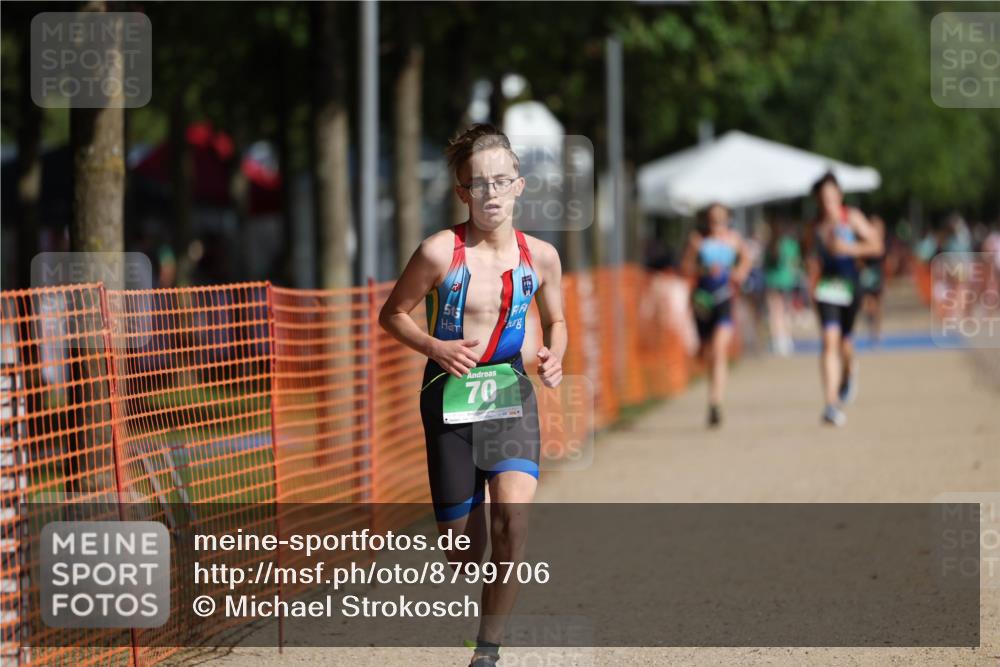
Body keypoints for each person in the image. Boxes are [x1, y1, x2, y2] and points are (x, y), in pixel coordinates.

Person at [378, 123, 566, 667]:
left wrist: (555, 355)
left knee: (514, 523)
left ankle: (488, 649)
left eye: (500, 181)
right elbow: (392, 314)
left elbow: (558, 321)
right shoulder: (439, 253)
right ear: (462, 192)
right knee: (463, 554)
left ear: (519, 186)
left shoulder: (542, 257)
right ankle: (471, 509)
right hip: (449, 399)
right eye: (478, 184)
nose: (491, 193)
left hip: (511, 393)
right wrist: (435, 346)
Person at [804, 173, 883, 426]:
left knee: (845, 344)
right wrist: (810, 281)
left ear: (839, 195)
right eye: (823, 197)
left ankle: (849, 371)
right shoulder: (815, 226)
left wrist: (850, 249)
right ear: (818, 200)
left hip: (851, 284)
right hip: (827, 287)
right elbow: (809, 257)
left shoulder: (853, 218)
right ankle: (830, 403)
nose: (828, 201)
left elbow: (877, 246)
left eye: (831, 195)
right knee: (829, 341)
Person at [680, 203, 752, 428]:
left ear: (727, 219)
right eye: (712, 219)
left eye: (720, 219)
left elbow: (746, 260)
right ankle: (713, 391)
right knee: (707, 353)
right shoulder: (698, 240)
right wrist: (702, 268)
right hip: (703, 301)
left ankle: (715, 403)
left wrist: (739, 273)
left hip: (724, 299)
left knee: (719, 350)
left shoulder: (734, 239)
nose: (716, 224)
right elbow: (686, 267)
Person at [764, 218, 802, 356]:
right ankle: (786, 338)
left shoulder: (770, 244)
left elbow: (765, 264)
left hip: (773, 281)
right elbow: (795, 263)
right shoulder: (791, 244)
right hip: (787, 281)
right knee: (786, 311)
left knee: (775, 311)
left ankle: (777, 339)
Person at [859, 215, 888, 345]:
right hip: (867, 275)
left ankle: (876, 332)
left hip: (878, 275)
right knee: (867, 304)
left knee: (878, 305)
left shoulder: (881, 242)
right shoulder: (865, 241)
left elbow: (882, 256)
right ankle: (871, 326)